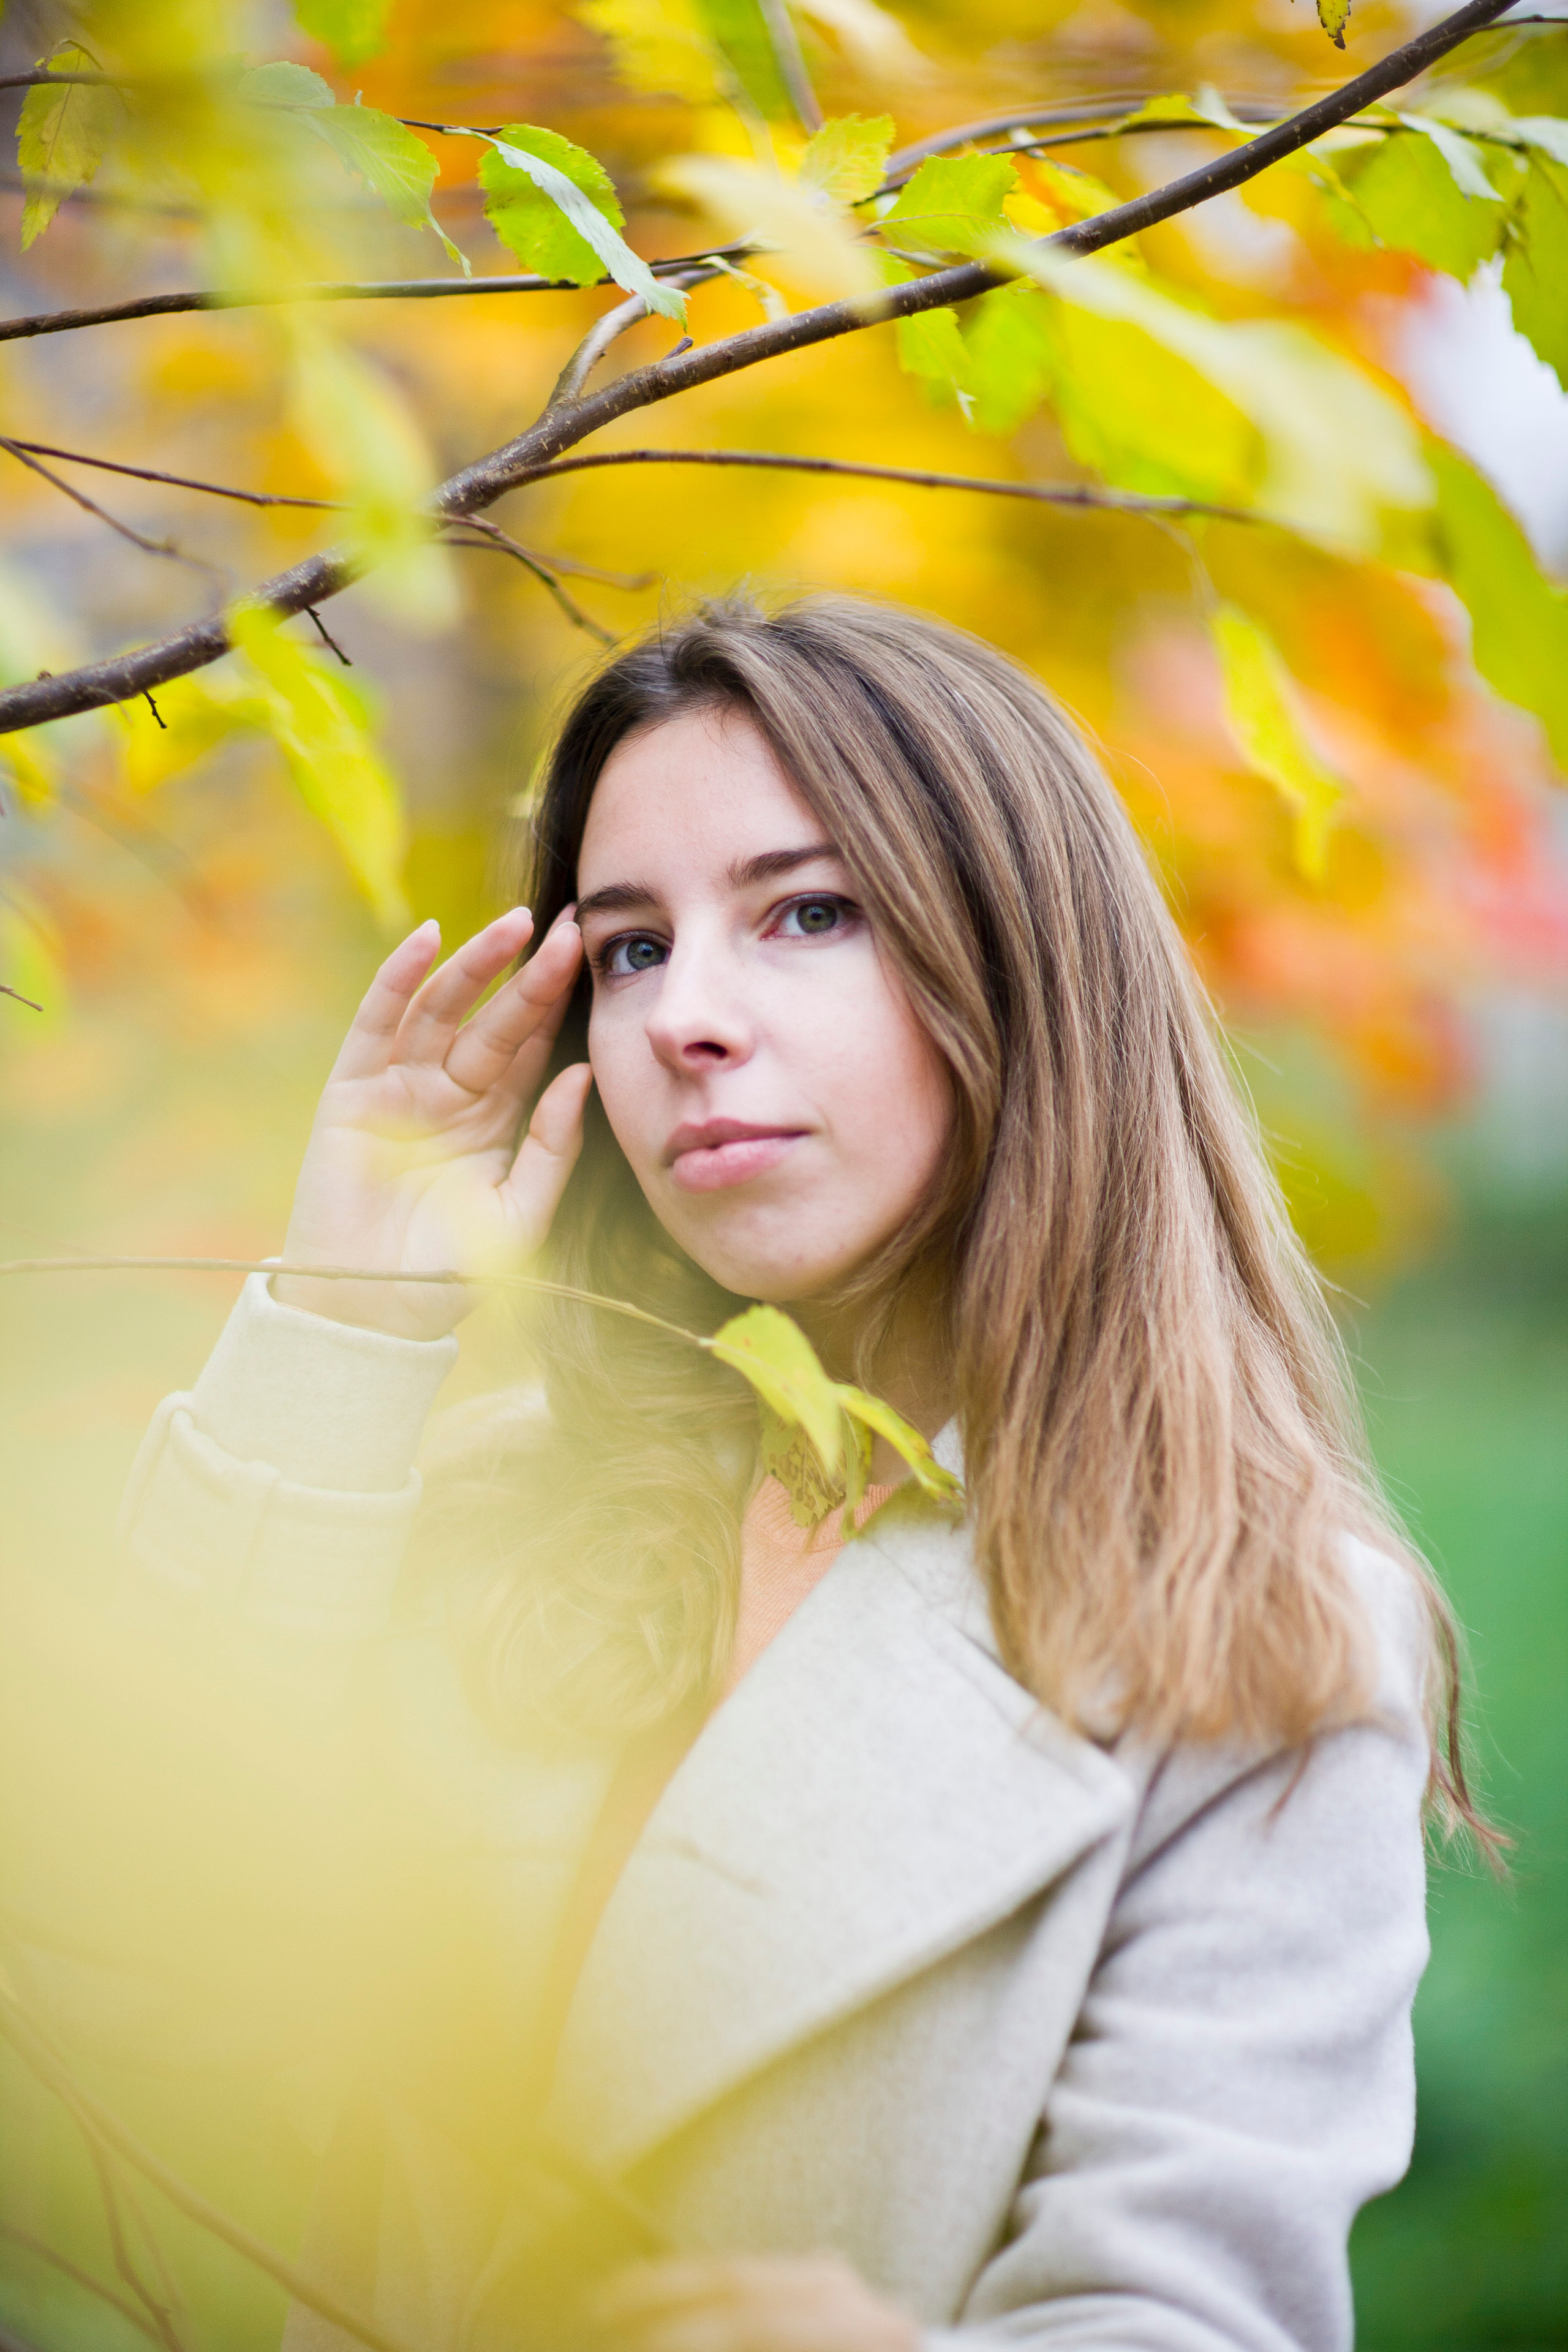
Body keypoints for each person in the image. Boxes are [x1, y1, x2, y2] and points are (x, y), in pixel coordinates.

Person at [118, 594, 1469, 2352]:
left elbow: (1190, 2312)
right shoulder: (495, 1500)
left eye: (807, 912)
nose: (691, 1015)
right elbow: (128, 1968)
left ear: (1019, 963)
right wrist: (343, 1323)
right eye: (630, 949)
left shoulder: (1256, 1627)